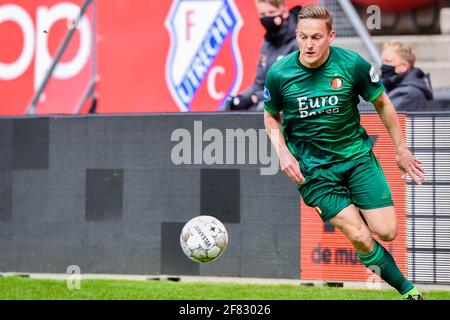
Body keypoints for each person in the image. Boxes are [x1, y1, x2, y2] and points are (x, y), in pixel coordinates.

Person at [263, 5, 426, 300]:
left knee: (387, 232)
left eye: (316, 37)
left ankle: (358, 219)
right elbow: (270, 115)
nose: (308, 45)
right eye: (302, 37)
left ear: (331, 36)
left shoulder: (353, 65)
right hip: (315, 172)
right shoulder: (279, 73)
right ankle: (409, 292)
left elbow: (383, 104)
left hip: (356, 159)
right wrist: (283, 153)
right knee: (362, 237)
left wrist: (400, 150)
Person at [226, 0, 301, 111]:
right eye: (262, 14)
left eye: (271, 13)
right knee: (230, 107)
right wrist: (241, 99)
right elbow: (259, 83)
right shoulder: (267, 43)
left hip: (293, 98)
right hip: (268, 96)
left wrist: (257, 97)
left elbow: (294, 84)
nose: (267, 18)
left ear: (284, 12)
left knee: (263, 108)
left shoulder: (299, 41)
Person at [380, 41, 433, 112]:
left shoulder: (408, 94)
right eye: (382, 61)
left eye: (388, 61)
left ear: (403, 67)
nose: (383, 65)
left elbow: (381, 117)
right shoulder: (392, 86)